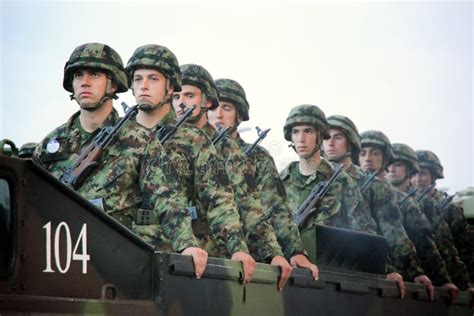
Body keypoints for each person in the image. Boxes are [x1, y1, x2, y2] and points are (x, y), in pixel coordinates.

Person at [33, 43, 207, 278]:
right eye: (78, 75)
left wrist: (186, 243)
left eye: (95, 75)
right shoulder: (51, 145)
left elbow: (166, 196)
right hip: (56, 260)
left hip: (118, 261)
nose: (84, 82)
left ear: (113, 83)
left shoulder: (139, 140)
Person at [125, 45, 255, 283]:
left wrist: (238, 247)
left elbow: (221, 200)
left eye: (153, 79)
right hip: (118, 250)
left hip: (177, 256)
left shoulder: (196, 141)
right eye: (138, 79)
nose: (143, 85)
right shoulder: (118, 136)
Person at [172, 64, 296, 290]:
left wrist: (277, 253)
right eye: (177, 95)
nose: (218, 114)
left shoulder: (234, 153)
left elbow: (257, 207)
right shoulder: (163, 140)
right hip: (170, 251)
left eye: (226, 108)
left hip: (218, 254)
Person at [209, 78, 319, 280]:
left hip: (248, 260)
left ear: (239, 115)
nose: (218, 114)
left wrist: (294, 251)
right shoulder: (195, 150)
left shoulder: (256, 157)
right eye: (214, 107)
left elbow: (275, 208)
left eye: (226, 108)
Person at [322, 115, 420, 298]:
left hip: (363, 274)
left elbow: (394, 234)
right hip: (322, 268)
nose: (330, 143)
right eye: (326, 137)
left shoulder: (374, 185)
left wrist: (413, 272)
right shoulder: (315, 180)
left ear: (350, 142)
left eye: (338, 137)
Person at [358, 130, 434, 300]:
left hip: (391, 278)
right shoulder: (349, 187)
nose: (368, 158)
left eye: (375, 153)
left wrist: (415, 271)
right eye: (362, 153)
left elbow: (406, 239)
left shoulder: (400, 199)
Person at [280, 105, 378, 235]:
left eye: (308, 131)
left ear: (320, 136)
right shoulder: (280, 181)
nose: (301, 139)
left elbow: (365, 235)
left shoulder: (342, 182)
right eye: (296, 131)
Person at [386, 143, 459, 300]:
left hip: (414, 278)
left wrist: (448, 280)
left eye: (398, 165)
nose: (391, 169)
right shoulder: (381, 194)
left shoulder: (425, 203)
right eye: (389, 164)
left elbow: (440, 244)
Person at [413, 150, 474, 282]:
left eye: (423, 174)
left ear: (433, 176)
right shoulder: (406, 204)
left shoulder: (449, 209)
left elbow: (466, 250)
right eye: (414, 174)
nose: (418, 179)